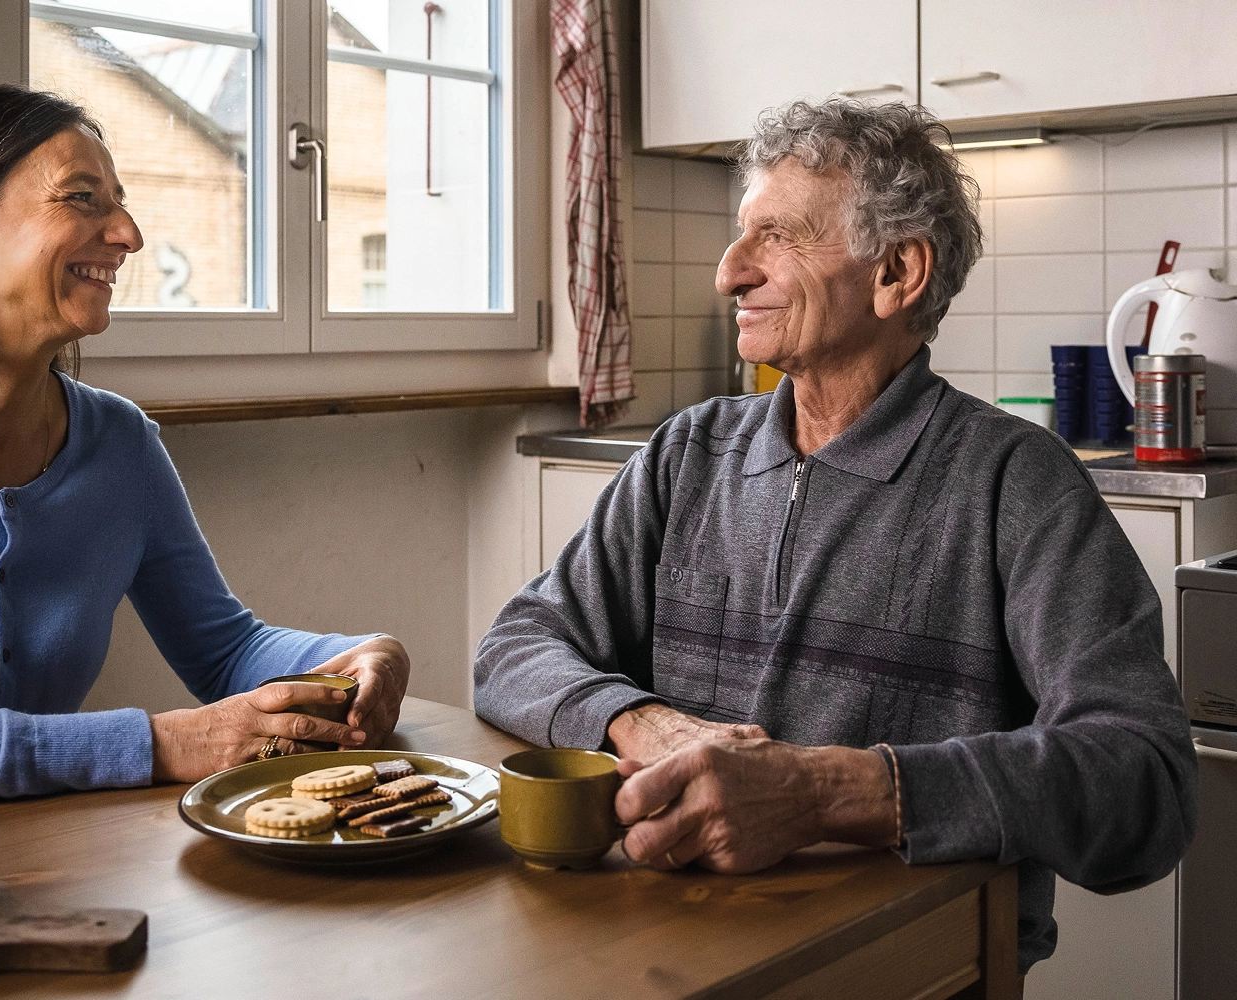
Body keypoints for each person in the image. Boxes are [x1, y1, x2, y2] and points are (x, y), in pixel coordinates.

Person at [474, 99, 1194, 970]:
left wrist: (826, 791)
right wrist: (642, 724)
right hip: (667, 940)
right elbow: (516, 645)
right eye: (741, 236)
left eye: (776, 237)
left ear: (896, 272)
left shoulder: (1018, 484)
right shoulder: (685, 455)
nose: (729, 272)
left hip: (908, 964)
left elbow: (1144, 782)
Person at [0, 84, 410, 805]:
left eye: (118, 201)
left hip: (39, 872)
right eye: (83, 198)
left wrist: (357, 656)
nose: (128, 235)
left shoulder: (119, 442)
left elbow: (229, 651)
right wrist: (156, 743)